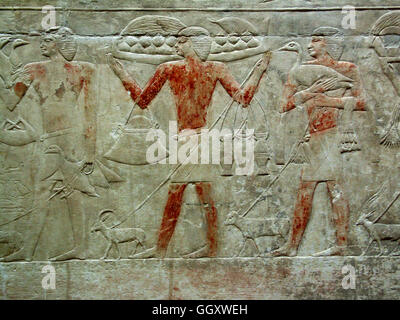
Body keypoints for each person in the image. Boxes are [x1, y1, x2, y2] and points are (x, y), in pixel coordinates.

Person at [108, 26, 271, 258]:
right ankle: (206, 248)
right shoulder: (205, 68)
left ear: (194, 43)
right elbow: (243, 98)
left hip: (191, 139)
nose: (176, 46)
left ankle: (164, 249)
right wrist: (258, 72)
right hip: (198, 139)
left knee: (180, 192)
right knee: (201, 193)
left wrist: (123, 75)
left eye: (181, 41)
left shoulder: (174, 69)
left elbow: (142, 100)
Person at [0, 26, 97, 261]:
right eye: (42, 39)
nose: (42, 43)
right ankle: (72, 247)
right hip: (52, 138)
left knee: (57, 191)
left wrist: (91, 151)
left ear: (60, 44)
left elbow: (90, 111)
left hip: (69, 138)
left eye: (48, 39)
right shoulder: (32, 69)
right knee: (65, 192)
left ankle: (35, 250)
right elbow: (12, 101)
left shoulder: (84, 69)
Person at [271, 27, 366, 257]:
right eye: (310, 40)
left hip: (331, 134)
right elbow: (284, 106)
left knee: (328, 187)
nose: (309, 44)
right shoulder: (302, 72)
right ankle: (296, 246)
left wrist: (330, 101)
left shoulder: (347, 69)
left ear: (330, 44)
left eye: (316, 40)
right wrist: (309, 93)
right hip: (313, 136)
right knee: (314, 188)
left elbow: (362, 102)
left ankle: (332, 245)